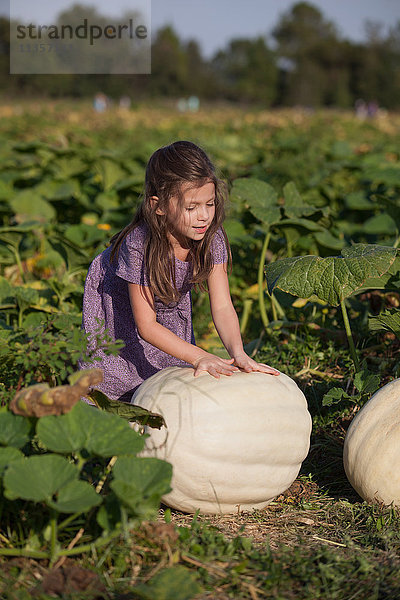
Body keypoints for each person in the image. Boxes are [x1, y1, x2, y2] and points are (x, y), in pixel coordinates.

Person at [79, 141, 279, 402]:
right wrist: (199, 355)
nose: (204, 216)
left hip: (165, 305)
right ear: (158, 206)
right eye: (192, 208)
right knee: (120, 379)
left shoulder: (211, 236)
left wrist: (238, 352)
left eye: (210, 204)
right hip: (120, 306)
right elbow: (147, 326)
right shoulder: (139, 244)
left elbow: (221, 306)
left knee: (169, 377)